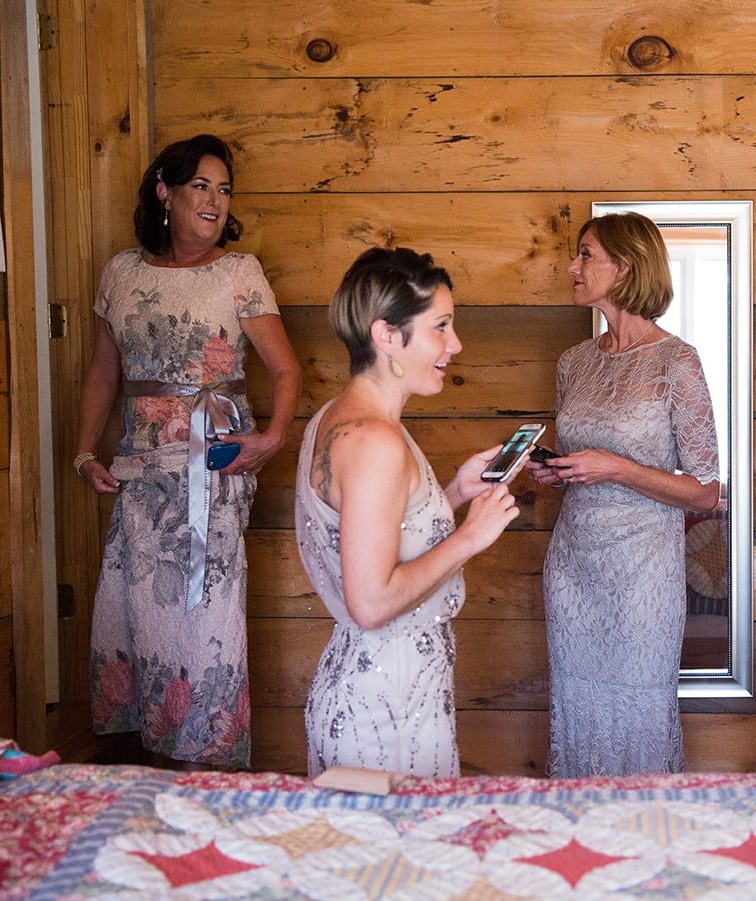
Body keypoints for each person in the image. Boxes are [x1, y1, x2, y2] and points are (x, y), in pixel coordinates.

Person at [79, 134, 301, 770]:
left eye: (224, 189)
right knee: (137, 609)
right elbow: (102, 371)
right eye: (201, 185)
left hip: (215, 463)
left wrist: (273, 437)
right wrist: (83, 453)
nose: (214, 200)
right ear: (164, 193)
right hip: (139, 470)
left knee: (206, 610)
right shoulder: (121, 272)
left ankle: (209, 761)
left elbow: (285, 371)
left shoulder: (239, 272)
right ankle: (143, 759)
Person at [295, 247, 519, 778]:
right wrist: (470, 537)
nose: (455, 344)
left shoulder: (339, 418)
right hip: (385, 715)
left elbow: (376, 534)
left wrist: (456, 492)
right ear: (387, 336)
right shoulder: (375, 441)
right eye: (440, 327)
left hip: (383, 693)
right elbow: (371, 603)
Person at [526, 212, 721, 778]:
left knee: (637, 709)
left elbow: (706, 493)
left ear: (626, 266)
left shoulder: (676, 362)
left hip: (642, 573)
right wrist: (561, 473)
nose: (572, 266)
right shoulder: (574, 363)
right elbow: (582, 462)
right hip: (573, 566)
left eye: (586, 255)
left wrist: (617, 469)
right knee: (577, 706)